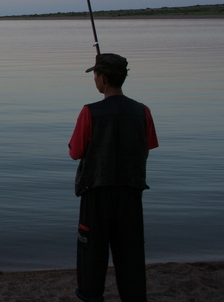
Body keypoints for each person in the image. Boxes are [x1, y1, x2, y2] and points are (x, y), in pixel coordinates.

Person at [69, 53, 158, 302]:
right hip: (131, 192)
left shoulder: (89, 112)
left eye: (95, 75)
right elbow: (148, 146)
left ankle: (90, 297)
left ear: (103, 78)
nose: (94, 80)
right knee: (130, 253)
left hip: (96, 193)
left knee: (91, 254)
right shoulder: (143, 111)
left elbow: (75, 153)